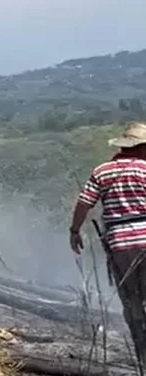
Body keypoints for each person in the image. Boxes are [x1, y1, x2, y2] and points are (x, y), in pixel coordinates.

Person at [69, 121, 146, 366]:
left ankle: (143, 354)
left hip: (120, 246)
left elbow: (84, 203)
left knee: (131, 301)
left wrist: (74, 230)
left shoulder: (102, 171)